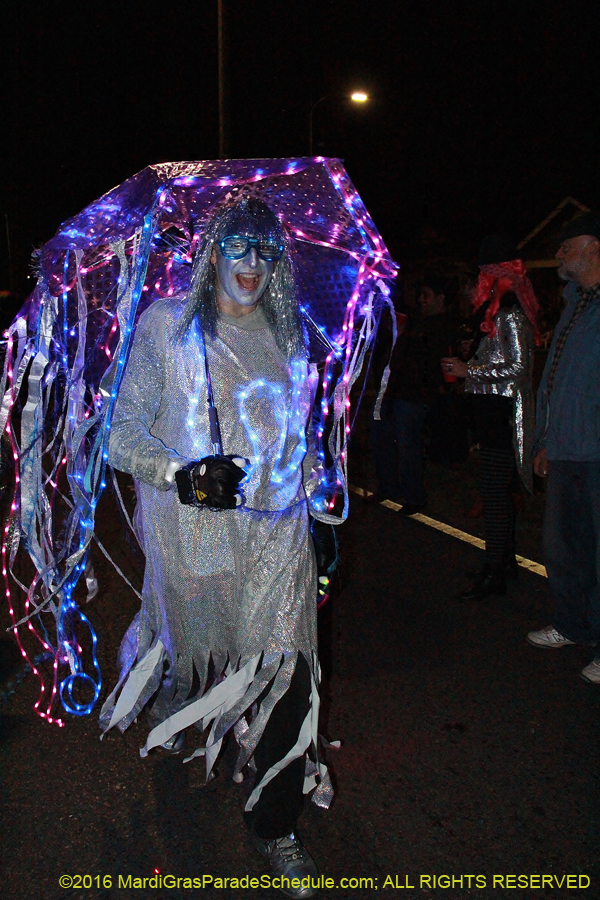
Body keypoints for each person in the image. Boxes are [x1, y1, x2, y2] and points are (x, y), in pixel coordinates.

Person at [100, 197, 332, 898]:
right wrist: (180, 472)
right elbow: (120, 433)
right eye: (238, 247)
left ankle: (275, 826)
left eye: (265, 250)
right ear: (210, 253)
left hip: (277, 539)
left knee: (286, 668)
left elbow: (302, 443)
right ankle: (180, 705)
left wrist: (322, 503)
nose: (252, 265)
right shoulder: (167, 326)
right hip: (196, 541)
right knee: (200, 660)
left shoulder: (288, 334)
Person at [442, 235, 538, 601]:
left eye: (482, 275)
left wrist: (471, 370)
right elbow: (502, 357)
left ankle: (495, 569)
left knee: (495, 495)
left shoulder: (511, 312)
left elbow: (518, 367)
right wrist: (476, 356)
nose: (477, 283)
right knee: (495, 493)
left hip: (501, 415)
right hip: (491, 413)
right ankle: (503, 562)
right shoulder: (501, 310)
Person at [527, 212, 600, 684]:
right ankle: (576, 626)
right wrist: (545, 442)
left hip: (596, 453)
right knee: (562, 549)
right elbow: (555, 383)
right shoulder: (575, 304)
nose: (558, 255)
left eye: (566, 246)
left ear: (594, 247)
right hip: (567, 450)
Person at [370, 271, 456, 514]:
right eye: (420, 295)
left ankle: (414, 496)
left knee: (408, 446)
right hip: (390, 389)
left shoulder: (438, 325)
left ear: (440, 298)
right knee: (382, 439)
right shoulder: (410, 320)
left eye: (425, 296)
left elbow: (431, 361)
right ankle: (387, 487)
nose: (421, 300)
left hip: (411, 394)